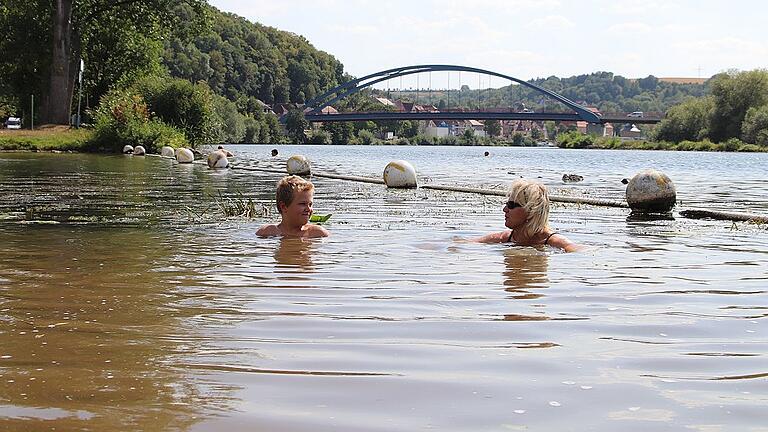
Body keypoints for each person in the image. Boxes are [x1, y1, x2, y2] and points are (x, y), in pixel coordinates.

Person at [475, 178, 582, 252]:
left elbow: (580, 250)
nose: (505, 209)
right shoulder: (505, 238)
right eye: (507, 204)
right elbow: (467, 243)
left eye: (512, 205)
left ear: (531, 211)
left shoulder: (552, 241)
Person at [256, 175, 330, 238]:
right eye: (302, 204)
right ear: (284, 207)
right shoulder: (267, 232)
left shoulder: (317, 233)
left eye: (310, 204)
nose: (308, 209)